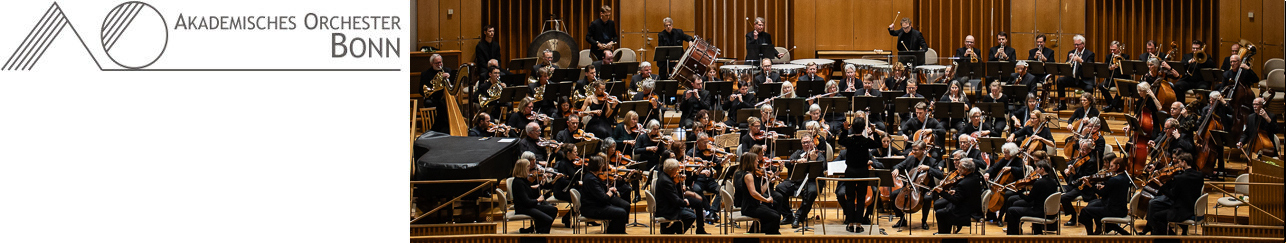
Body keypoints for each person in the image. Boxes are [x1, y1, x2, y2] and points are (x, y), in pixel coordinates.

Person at [836, 116, 886, 233]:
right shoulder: (866, 141)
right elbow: (878, 143)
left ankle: (850, 223)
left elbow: (840, 141)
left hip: (850, 171)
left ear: (852, 127)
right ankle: (858, 224)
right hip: (863, 171)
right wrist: (873, 131)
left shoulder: (849, 140)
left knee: (850, 197)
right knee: (861, 198)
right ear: (864, 128)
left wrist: (845, 129)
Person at [774, 135, 826, 228]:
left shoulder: (819, 154)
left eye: (808, 142)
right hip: (796, 181)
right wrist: (797, 161)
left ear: (813, 142)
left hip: (812, 182)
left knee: (812, 192)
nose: (806, 144)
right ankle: (788, 215)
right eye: (804, 143)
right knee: (779, 188)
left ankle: (799, 216)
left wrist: (813, 161)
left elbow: (822, 167)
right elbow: (788, 163)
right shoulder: (798, 153)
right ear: (801, 144)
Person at [1146, 153, 1204, 235]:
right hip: (1194, 207)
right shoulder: (1200, 175)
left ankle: (1172, 237)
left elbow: (1172, 196)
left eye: (1179, 162)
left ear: (1184, 162)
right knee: (1159, 209)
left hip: (1182, 210)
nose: (1178, 164)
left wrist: (1161, 185)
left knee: (1156, 216)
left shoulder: (1180, 178)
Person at [890, 141, 943, 229]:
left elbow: (940, 175)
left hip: (926, 188)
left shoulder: (931, 161)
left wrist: (929, 168)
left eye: (916, 150)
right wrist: (896, 169)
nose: (913, 151)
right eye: (912, 149)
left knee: (927, 198)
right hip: (909, 187)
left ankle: (924, 221)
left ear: (923, 150)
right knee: (893, 195)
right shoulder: (910, 159)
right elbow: (897, 166)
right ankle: (902, 219)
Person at [1004, 158, 1059, 235]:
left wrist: (1019, 191)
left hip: (1039, 212)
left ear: (1042, 169)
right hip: (1050, 212)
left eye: (1037, 168)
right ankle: (1036, 231)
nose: (1035, 170)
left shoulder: (1039, 183)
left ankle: (1014, 235)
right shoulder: (1053, 182)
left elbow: (1028, 199)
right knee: (1017, 205)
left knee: (1011, 210)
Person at [1078, 157, 1131, 235]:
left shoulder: (1113, 180)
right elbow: (1115, 190)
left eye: (1112, 166)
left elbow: (1101, 194)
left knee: (1085, 211)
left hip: (1113, 210)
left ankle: (1090, 235)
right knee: (1093, 204)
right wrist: (1106, 187)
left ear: (1118, 166)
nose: (1109, 168)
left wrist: (1089, 185)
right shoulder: (1126, 177)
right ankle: (1102, 228)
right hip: (1122, 208)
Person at [656, 159, 709, 234]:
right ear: (671, 170)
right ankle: (669, 231)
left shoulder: (666, 176)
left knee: (697, 204)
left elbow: (675, 194)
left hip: (670, 204)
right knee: (691, 216)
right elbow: (674, 198)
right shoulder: (666, 181)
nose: (678, 171)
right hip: (667, 208)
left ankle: (699, 229)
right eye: (676, 169)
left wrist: (679, 182)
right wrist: (684, 203)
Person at [580, 154, 630, 233]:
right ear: (597, 166)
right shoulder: (591, 179)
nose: (603, 166)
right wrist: (610, 192)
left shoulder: (592, 176)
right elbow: (604, 198)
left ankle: (614, 231)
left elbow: (599, 192)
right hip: (592, 208)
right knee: (621, 213)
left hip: (595, 205)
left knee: (622, 208)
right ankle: (613, 234)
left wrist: (609, 189)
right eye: (601, 164)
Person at [734, 151, 782, 234]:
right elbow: (753, 193)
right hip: (749, 207)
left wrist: (769, 179)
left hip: (755, 205)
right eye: (756, 160)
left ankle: (757, 233)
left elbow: (762, 191)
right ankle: (767, 236)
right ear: (751, 162)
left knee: (775, 213)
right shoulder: (748, 176)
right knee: (775, 217)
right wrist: (766, 200)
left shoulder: (754, 174)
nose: (758, 162)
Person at [508, 159, 559, 233]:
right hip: (523, 208)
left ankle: (539, 231)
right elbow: (527, 202)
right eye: (528, 166)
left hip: (529, 206)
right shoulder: (518, 183)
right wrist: (538, 200)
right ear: (523, 168)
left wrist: (541, 184)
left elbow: (531, 193)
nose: (529, 168)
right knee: (548, 219)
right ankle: (542, 235)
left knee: (553, 210)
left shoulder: (524, 180)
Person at [933, 158, 982, 234]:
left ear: (965, 170)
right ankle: (946, 232)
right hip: (974, 208)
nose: (958, 169)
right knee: (945, 208)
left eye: (959, 168)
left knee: (940, 213)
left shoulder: (962, 184)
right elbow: (968, 192)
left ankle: (943, 234)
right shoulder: (975, 178)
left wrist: (942, 192)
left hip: (966, 212)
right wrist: (956, 192)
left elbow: (955, 201)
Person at [1061, 139, 1099, 226]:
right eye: (1081, 149)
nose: (1082, 151)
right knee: (1059, 191)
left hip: (1083, 187)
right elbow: (1071, 163)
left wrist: (1074, 173)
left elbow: (1084, 178)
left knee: (1064, 198)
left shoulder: (1091, 162)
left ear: (1090, 150)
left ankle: (1074, 217)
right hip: (1075, 184)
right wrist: (1067, 168)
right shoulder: (1081, 157)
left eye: (1084, 149)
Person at [984, 143, 1024, 225]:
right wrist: (988, 173)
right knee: (989, 191)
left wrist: (1011, 168)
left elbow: (1022, 171)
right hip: (1002, 185)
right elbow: (994, 167)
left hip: (1015, 186)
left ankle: (1000, 217)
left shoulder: (1019, 161)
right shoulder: (1004, 160)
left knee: (1007, 195)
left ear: (1012, 153)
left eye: (1006, 153)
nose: (1004, 154)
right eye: (1004, 152)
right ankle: (991, 215)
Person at [1054, 35, 1095, 110]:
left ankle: (1088, 107)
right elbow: (1067, 66)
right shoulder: (1071, 52)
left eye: (1078, 45)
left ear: (1083, 44)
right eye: (1075, 44)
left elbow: (1089, 67)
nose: (1076, 46)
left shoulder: (1090, 54)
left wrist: (1080, 60)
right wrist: (1069, 60)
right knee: (1060, 80)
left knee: (1089, 88)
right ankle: (1062, 104)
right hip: (1073, 78)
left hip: (1084, 79)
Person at [421, 54, 457, 134]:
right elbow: (421, 90)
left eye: (440, 62)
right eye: (436, 63)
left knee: (446, 104)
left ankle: (447, 127)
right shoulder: (426, 74)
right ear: (431, 64)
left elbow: (453, 86)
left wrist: (449, 78)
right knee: (439, 105)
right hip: (433, 98)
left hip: (445, 98)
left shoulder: (447, 70)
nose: (439, 65)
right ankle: (438, 128)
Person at [1101, 41, 1131, 111]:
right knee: (1101, 86)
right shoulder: (1108, 57)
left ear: (1119, 49)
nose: (1112, 52)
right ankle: (1115, 105)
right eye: (1111, 50)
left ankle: (1111, 106)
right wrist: (1110, 68)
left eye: (1114, 50)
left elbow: (1127, 69)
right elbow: (1106, 69)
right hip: (1111, 78)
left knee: (1121, 88)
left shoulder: (1125, 56)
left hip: (1122, 78)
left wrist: (1120, 64)